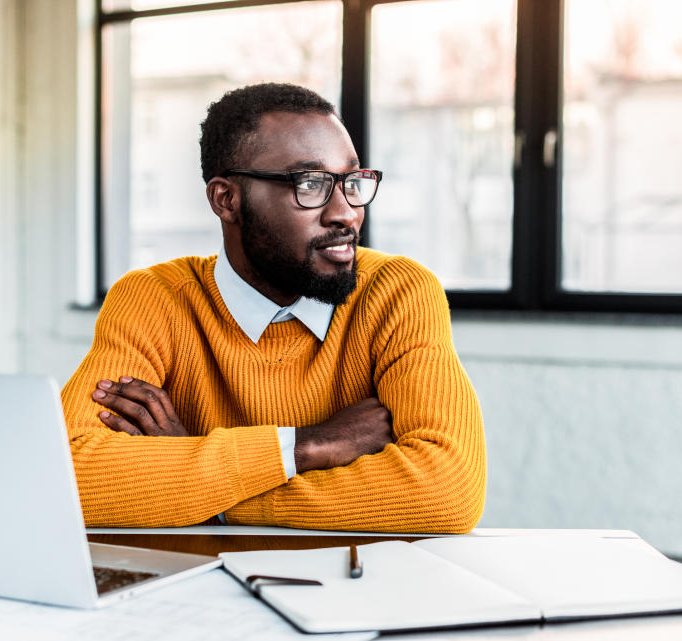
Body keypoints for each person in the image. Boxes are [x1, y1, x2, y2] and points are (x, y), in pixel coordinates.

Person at [60, 83, 485, 532]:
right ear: (227, 199)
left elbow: (447, 489)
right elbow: (63, 472)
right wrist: (307, 446)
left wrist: (206, 494)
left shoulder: (397, 292)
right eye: (311, 183)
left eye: (352, 182)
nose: (346, 213)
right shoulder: (154, 298)